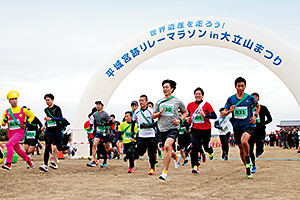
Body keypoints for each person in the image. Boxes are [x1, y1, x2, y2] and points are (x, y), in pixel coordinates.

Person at [221, 77, 260, 179]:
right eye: (239, 86)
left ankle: (248, 158)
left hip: (248, 125)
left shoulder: (250, 98)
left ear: (245, 86)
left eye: (242, 86)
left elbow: (258, 106)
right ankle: (247, 168)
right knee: (241, 149)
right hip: (237, 127)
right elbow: (223, 113)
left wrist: (255, 116)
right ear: (235, 87)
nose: (241, 88)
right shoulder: (231, 99)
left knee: (244, 142)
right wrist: (229, 111)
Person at [153, 79, 188, 181]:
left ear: (172, 89)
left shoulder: (177, 101)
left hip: (173, 128)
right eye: (163, 87)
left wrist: (180, 120)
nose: (165, 89)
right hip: (162, 129)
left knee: (167, 146)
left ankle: (165, 172)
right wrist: (159, 113)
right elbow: (153, 116)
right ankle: (176, 157)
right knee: (168, 149)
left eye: (167, 87)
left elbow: (186, 112)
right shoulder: (159, 102)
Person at [1, 90, 34, 170]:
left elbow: (32, 116)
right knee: (18, 150)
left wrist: (28, 122)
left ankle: (8, 163)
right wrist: (4, 121)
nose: (14, 100)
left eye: (15, 99)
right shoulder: (7, 112)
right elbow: (3, 124)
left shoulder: (23, 110)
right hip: (10, 133)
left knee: (9, 144)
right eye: (12, 99)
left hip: (19, 132)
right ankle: (28, 160)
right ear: (9, 101)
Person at [187, 87, 217, 173]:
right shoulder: (190, 105)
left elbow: (214, 116)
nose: (197, 95)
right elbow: (188, 115)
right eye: (196, 94)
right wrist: (188, 119)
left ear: (202, 95)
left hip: (206, 129)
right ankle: (195, 166)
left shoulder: (206, 105)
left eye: (199, 94)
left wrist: (205, 115)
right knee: (194, 146)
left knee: (206, 147)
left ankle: (210, 151)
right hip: (195, 129)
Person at [39, 93, 69, 172]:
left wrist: (51, 119)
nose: (47, 102)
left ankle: (69, 147)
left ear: (52, 100)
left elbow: (60, 118)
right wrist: (44, 126)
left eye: (48, 100)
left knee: (59, 148)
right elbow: (47, 120)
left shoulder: (57, 108)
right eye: (46, 100)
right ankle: (45, 165)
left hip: (57, 131)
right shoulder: (46, 110)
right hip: (49, 132)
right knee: (47, 148)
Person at [87, 100, 118, 168]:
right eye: (96, 105)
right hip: (98, 132)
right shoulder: (94, 114)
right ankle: (93, 160)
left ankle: (113, 150)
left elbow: (111, 123)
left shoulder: (105, 114)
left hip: (105, 132)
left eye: (99, 105)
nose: (97, 106)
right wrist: (90, 128)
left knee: (106, 148)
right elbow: (92, 123)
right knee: (94, 144)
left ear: (102, 106)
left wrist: (104, 124)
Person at [133, 95, 157, 175]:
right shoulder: (136, 111)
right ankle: (132, 157)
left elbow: (156, 123)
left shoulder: (151, 111)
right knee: (140, 152)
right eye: (140, 100)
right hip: (141, 135)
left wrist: (147, 126)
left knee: (151, 153)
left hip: (151, 134)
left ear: (147, 102)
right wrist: (133, 131)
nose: (141, 102)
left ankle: (152, 168)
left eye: (142, 100)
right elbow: (133, 121)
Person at [248, 92, 272, 173]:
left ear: (258, 99)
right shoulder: (248, 108)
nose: (254, 99)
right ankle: (253, 165)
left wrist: (263, 123)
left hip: (260, 129)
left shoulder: (263, 108)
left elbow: (270, 118)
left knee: (260, 144)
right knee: (250, 148)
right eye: (252, 98)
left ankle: (259, 152)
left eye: (256, 98)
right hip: (251, 129)